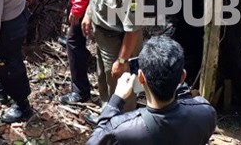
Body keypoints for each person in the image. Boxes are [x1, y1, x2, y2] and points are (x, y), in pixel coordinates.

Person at [86, 35, 217, 144]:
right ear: (183, 76)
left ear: (141, 77)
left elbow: (93, 141)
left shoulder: (120, 129)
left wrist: (115, 101)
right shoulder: (206, 113)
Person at [82, 0, 146, 125]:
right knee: (103, 77)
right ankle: (106, 116)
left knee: (122, 86)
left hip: (119, 43)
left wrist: (122, 59)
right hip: (102, 36)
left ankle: (123, 126)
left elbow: (134, 29)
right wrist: (88, 14)